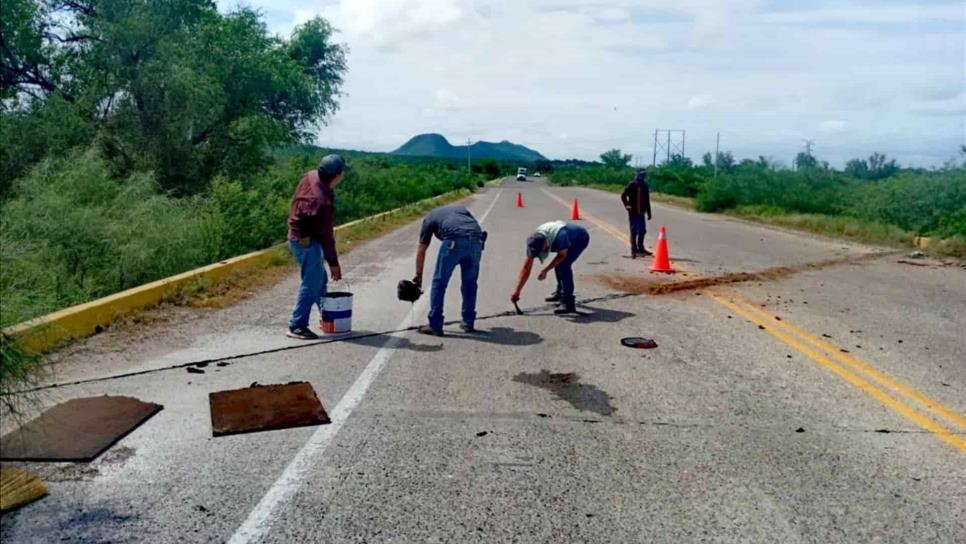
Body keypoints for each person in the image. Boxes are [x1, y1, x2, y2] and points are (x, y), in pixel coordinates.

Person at [285, 154, 346, 339]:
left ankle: (327, 317)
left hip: (297, 235)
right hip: (306, 241)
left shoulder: (310, 175)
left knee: (319, 279)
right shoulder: (323, 203)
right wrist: (334, 263)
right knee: (311, 283)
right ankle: (297, 325)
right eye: (342, 172)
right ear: (336, 175)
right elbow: (327, 237)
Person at [413, 205, 485, 336]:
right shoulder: (461, 210)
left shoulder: (429, 218)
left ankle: (435, 324)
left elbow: (421, 249)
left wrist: (419, 276)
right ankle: (468, 322)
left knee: (439, 283)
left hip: (454, 240)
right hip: (476, 241)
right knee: (470, 284)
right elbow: (474, 227)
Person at [510, 221, 590, 315]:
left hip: (580, 238)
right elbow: (526, 268)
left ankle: (568, 303)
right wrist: (517, 291)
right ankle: (560, 293)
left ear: (545, 244)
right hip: (562, 236)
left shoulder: (561, 237)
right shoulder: (533, 241)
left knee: (563, 266)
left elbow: (562, 256)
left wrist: (546, 270)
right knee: (559, 265)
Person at [621, 169, 653, 257]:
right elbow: (623, 196)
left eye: (644, 175)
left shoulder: (645, 185)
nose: (642, 176)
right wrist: (627, 205)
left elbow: (647, 200)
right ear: (637, 175)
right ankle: (633, 250)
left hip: (641, 212)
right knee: (634, 231)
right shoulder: (632, 184)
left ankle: (641, 248)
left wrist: (649, 212)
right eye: (641, 175)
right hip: (633, 212)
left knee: (642, 231)